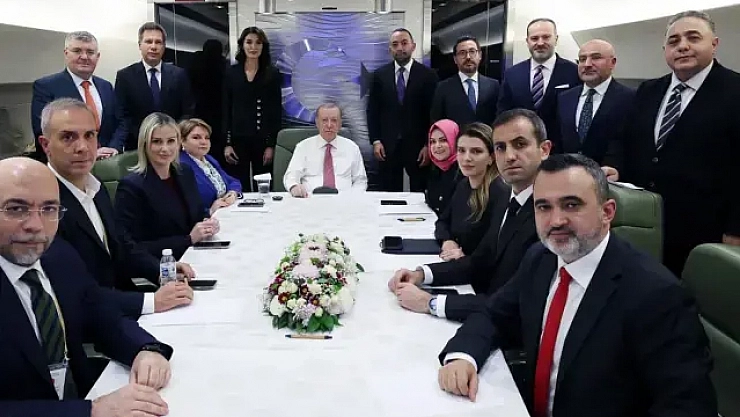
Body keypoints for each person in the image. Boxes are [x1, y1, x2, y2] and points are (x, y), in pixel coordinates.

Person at [437, 154, 717, 417]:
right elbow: (494, 314)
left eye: (571, 205)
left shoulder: (657, 295)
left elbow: (687, 407)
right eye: (543, 207)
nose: (556, 220)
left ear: (607, 212)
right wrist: (463, 356)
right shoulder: (541, 258)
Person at [0, 157, 175, 416]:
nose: (36, 225)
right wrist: (89, 411)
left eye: (49, 209)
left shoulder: (58, 256)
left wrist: (145, 349)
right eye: (16, 209)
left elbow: (100, 314)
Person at [602, 10, 740, 276]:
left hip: (706, 234)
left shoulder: (735, 91)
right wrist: (614, 165)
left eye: (693, 38)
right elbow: (623, 139)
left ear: (714, 44)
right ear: (664, 49)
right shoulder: (648, 91)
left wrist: (736, 229)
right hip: (644, 226)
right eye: (674, 41)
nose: (682, 46)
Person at [389, 109, 549, 322]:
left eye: (520, 144)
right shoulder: (507, 200)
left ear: (544, 150)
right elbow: (479, 261)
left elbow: (515, 302)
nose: (509, 156)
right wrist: (421, 274)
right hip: (483, 308)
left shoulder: (548, 213)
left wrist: (431, 303)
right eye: (501, 147)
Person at [40, 98, 194, 318]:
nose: (82, 147)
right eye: (68, 137)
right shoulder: (41, 204)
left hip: (121, 303)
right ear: (46, 145)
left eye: (89, 135)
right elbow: (75, 292)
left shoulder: (97, 189)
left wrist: (161, 270)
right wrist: (151, 302)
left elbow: (122, 248)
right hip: (91, 321)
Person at [115, 113, 221, 260]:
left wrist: (207, 223)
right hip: (162, 265)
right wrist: (188, 239)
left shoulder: (185, 172)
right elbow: (131, 248)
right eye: (157, 142)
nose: (165, 148)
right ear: (144, 144)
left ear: (179, 143)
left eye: (171, 141)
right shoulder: (131, 186)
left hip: (196, 254)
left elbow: (196, 214)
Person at [31, 31, 124, 162]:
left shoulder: (106, 86)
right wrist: (89, 152)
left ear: (97, 56)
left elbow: (121, 121)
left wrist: (114, 147)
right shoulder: (46, 86)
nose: (84, 57)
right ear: (66, 53)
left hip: (107, 163)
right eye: (77, 51)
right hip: (69, 164)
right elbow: (44, 131)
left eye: (90, 52)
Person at [367, 28, 438, 192]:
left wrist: (429, 144)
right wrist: (376, 140)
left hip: (418, 145)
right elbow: (373, 111)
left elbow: (434, 113)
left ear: (413, 46)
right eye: (395, 44)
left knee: (420, 191)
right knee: (389, 193)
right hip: (387, 145)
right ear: (390, 49)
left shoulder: (428, 76)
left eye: (404, 43)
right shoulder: (379, 76)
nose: (400, 48)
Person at [497, 18, 580, 146]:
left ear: (556, 39)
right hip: (521, 147)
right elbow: (503, 113)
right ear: (527, 41)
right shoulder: (512, 74)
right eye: (534, 38)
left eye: (546, 37)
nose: (540, 43)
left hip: (561, 149)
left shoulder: (574, 72)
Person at [115, 22, 195, 151]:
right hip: (138, 146)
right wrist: (146, 136)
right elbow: (122, 115)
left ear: (164, 46)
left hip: (171, 145)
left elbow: (187, 111)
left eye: (158, 42)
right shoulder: (125, 76)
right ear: (140, 45)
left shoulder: (179, 74)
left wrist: (173, 133)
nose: (153, 47)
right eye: (148, 41)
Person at [554, 39, 634, 164]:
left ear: (612, 63)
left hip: (609, 173)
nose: (587, 64)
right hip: (568, 171)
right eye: (582, 59)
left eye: (596, 58)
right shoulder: (565, 98)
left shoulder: (630, 98)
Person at [222, 27, 282, 191]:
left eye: (258, 43)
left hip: (262, 139)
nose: (253, 47)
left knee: (264, 184)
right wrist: (227, 143)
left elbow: (275, 112)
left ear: (263, 46)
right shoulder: (231, 73)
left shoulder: (272, 74)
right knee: (239, 184)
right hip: (237, 139)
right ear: (242, 45)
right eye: (249, 42)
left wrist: (271, 145)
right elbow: (226, 109)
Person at [434, 123, 500, 261]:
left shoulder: (499, 192)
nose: (467, 158)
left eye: (476, 151)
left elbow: (492, 250)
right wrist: (447, 240)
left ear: (491, 158)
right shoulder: (463, 185)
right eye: (461, 150)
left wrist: (465, 258)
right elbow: (443, 222)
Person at [283, 103, 368, 197]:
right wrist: (294, 187)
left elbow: (360, 181)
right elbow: (291, 177)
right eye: (324, 120)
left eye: (334, 120)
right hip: (310, 200)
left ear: (340, 123)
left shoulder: (352, 148)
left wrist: (352, 198)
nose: (329, 125)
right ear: (317, 122)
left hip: (344, 201)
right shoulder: (303, 147)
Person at [430, 36, 499, 127]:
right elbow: (437, 122)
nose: (468, 57)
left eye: (472, 51)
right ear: (455, 59)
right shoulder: (443, 88)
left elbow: (499, 118)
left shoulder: (494, 86)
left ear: (480, 56)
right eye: (462, 53)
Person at [179, 118, 242, 210]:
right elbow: (183, 205)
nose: (203, 142)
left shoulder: (209, 159)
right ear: (182, 141)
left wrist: (233, 192)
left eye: (207, 138)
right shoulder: (181, 165)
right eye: (196, 137)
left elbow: (233, 181)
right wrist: (209, 211)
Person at [424, 119, 462, 215]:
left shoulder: (463, 172)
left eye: (443, 140)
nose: (437, 146)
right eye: (432, 141)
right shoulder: (435, 170)